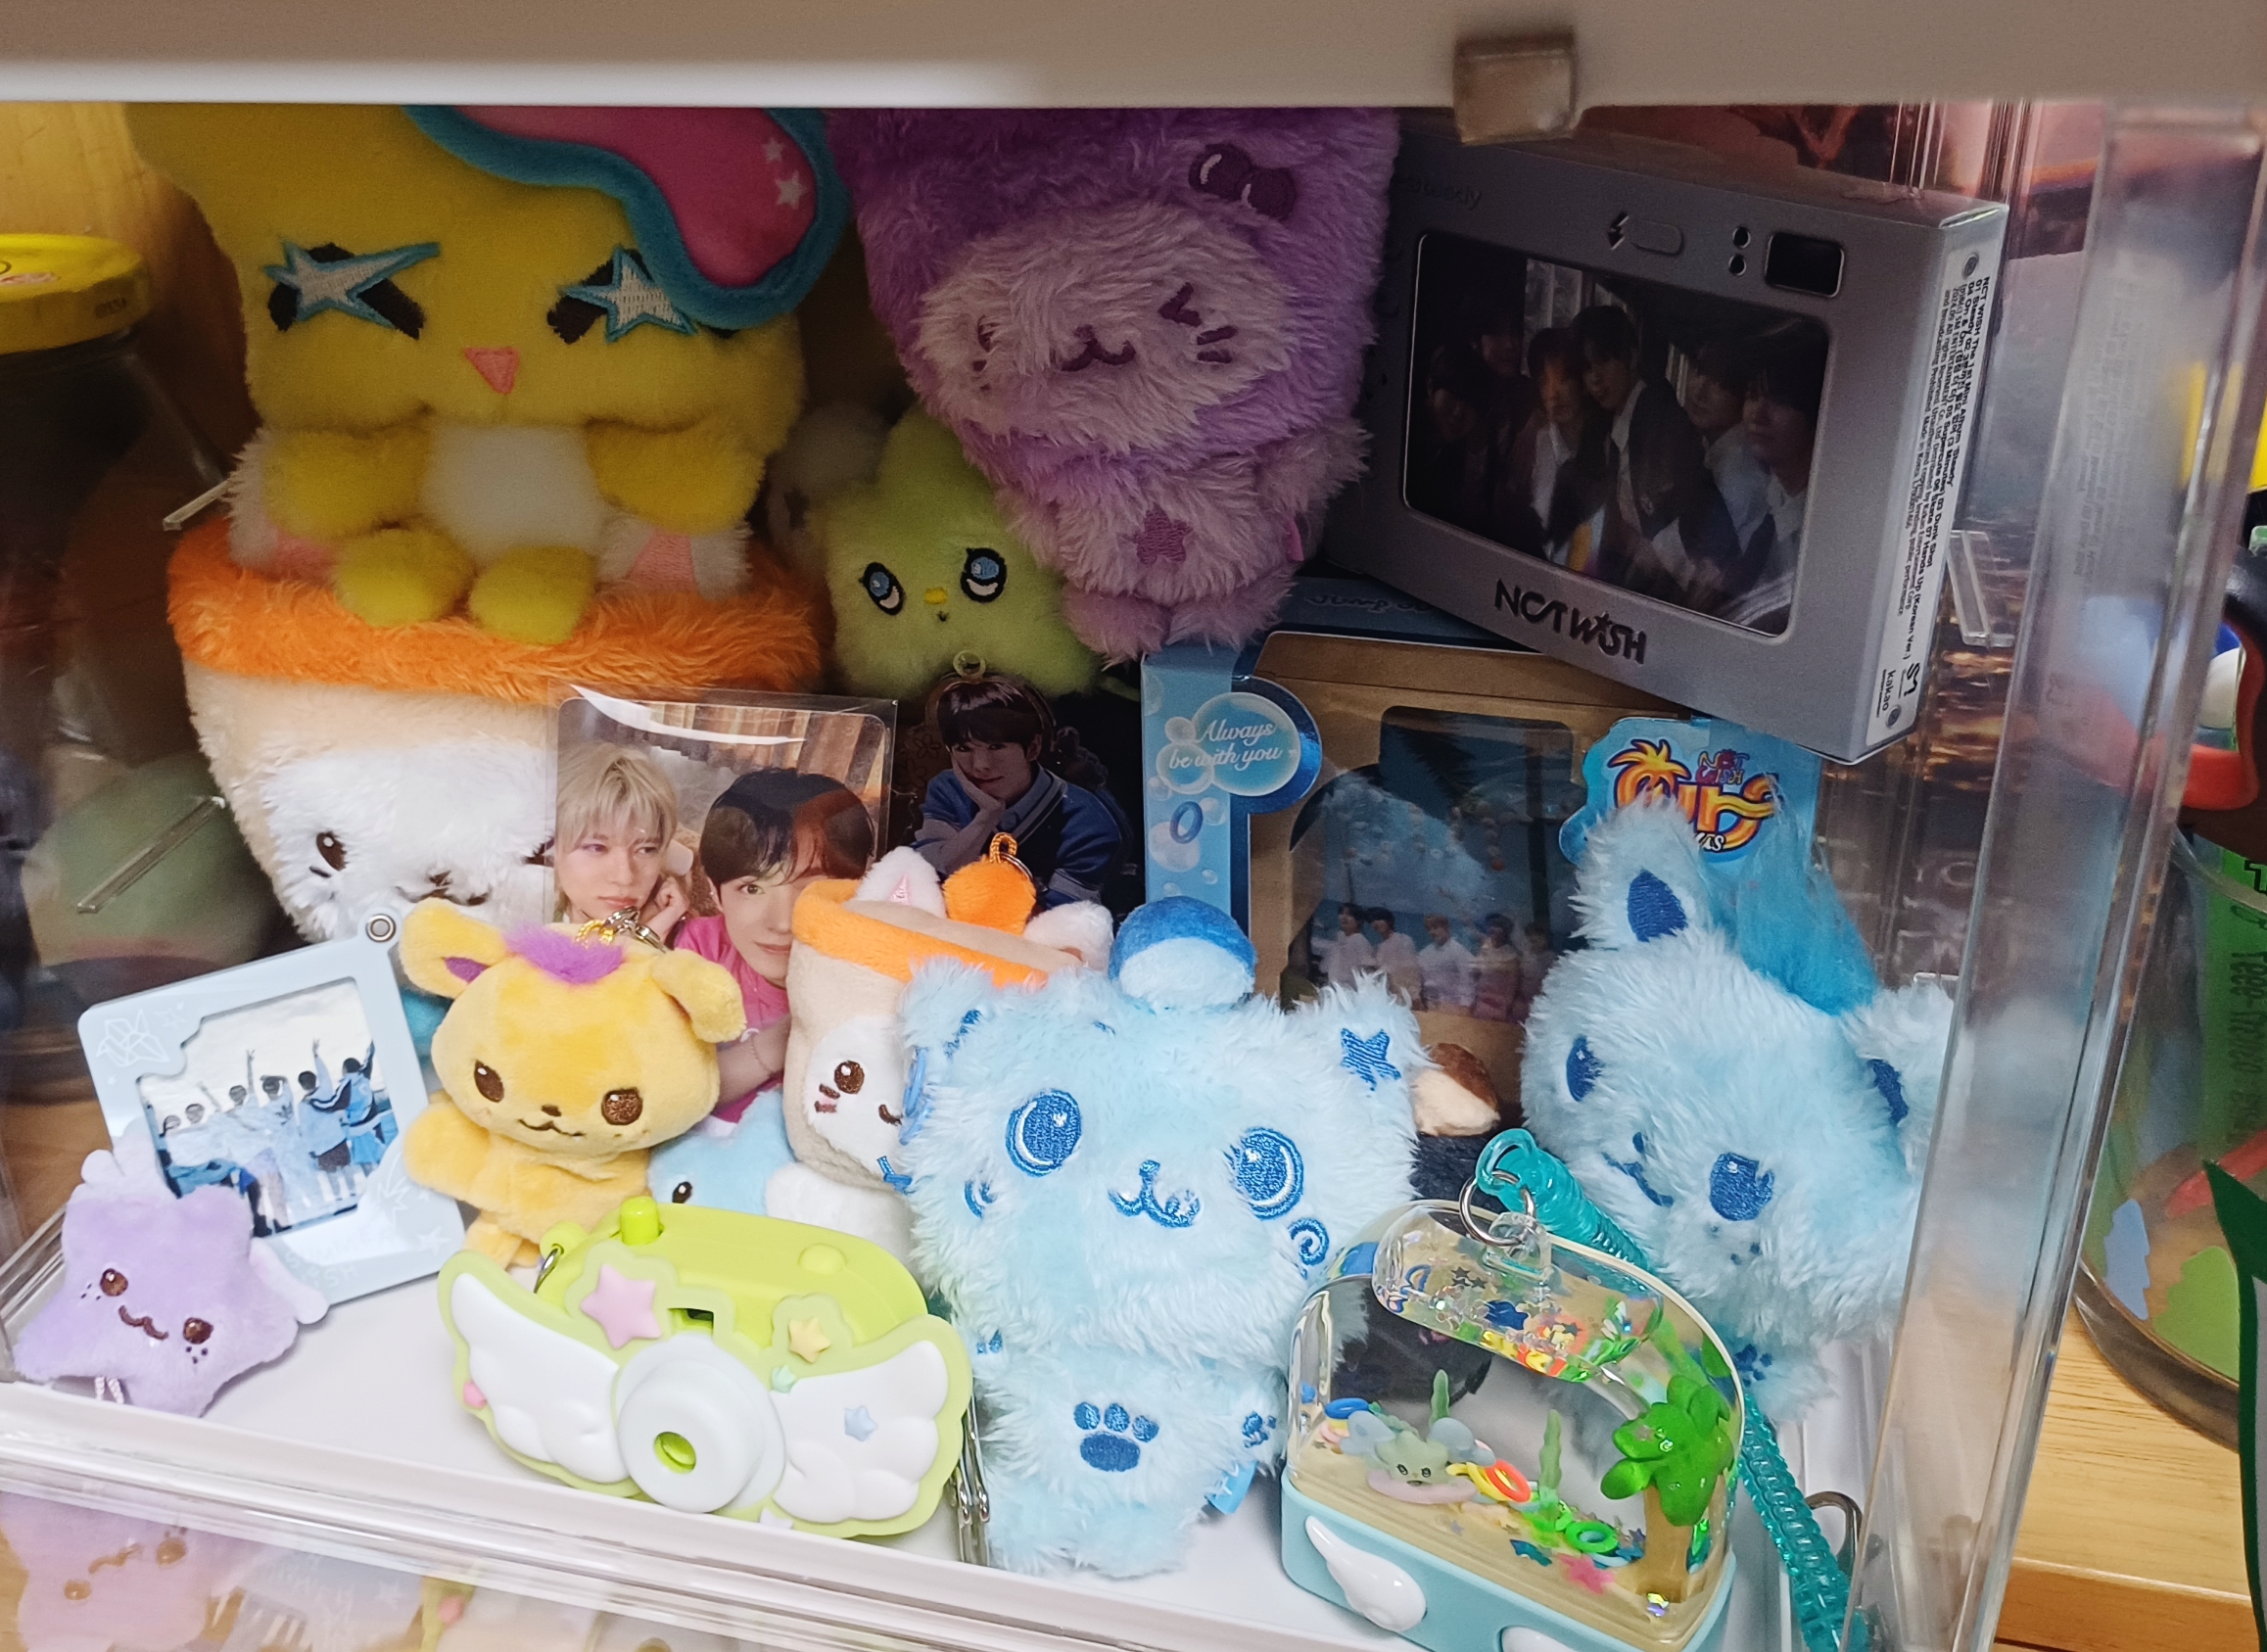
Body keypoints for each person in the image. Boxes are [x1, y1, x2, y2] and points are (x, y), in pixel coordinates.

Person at [677, 772, 875, 1124]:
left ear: (857, 887)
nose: (783, 922)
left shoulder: (871, 970)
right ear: (714, 892)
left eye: (811, 888)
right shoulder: (702, 951)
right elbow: (670, 1094)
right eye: (752, 888)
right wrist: (779, 1042)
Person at [1570, 305, 1740, 605]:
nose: (1594, 378)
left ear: (1631, 356)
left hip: (1696, 585)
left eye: (1604, 361)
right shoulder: (1618, 423)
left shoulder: (1658, 416)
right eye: (1586, 368)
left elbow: (1688, 514)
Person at [917, 674, 1125, 909]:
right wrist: (986, 817)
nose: (980, 765)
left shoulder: (1088, 822)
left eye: (996, 747)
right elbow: (929, 873)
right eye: (964, 749)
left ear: (1033, 748)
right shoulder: (947, 789)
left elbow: (1061, 918)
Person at [1722, 321, 1827, 634]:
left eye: (1779, 400)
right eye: (1752, 395)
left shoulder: (1821, 528)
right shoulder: (1773, 495)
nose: (1758, 414)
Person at [553, 741, 689, 936]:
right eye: (597, 848)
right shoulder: (522, 923)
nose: (624, 878)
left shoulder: (687, 938)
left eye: (646, 849)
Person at [1511, 328, 1608, 568]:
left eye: (1563, 379)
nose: (1553, 393)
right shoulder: (1534, 445)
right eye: (1544, 382)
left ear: (1582, 383)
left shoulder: (1608, 443)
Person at [1684, 339, 1771, 553]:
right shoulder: (1708, 447)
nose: (1700, 390)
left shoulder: (1741, 475)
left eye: (1720, 383)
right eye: (1699, 370)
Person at [1417, 915, 1478, 1013]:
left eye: (1435, 928)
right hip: (1431, 1005)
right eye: (1429, 929)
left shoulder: (1459, 951)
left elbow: (1468, 981)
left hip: (1455, 1005)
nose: (1432, 932)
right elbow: (1421, 979)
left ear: (1446, 927)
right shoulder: (1425, 953)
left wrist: (1465, 1006)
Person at [1472, 914, 1522, 1020]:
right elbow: (1477, 972)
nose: (1492, 929)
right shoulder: (1486, 948)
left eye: (1497, 927)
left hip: (1498, 1006)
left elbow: (1512, 987)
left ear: (1504, 932)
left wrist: (1505, 1006)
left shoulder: (1510, 955)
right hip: (1480, 1001)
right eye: (1491, 926)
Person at [1368, 908, 1422, 1003]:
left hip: (1404, 995)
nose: (1375, 923)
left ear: (1389, 921)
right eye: (1372, 921)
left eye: (1379, 919)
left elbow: (1412, 970)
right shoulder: (1378, 948)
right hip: (1388, 996)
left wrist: (1414, 996)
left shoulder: (1403, 940)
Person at [1319, 903, 1376, 988]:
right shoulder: (1340, 938)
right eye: (1342, 913)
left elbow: (1368, 968)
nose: (1343, 917)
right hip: (1335, 987)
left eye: (1349, 915)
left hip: (1349, 990)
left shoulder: (1360, 941)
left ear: (1358, 921)